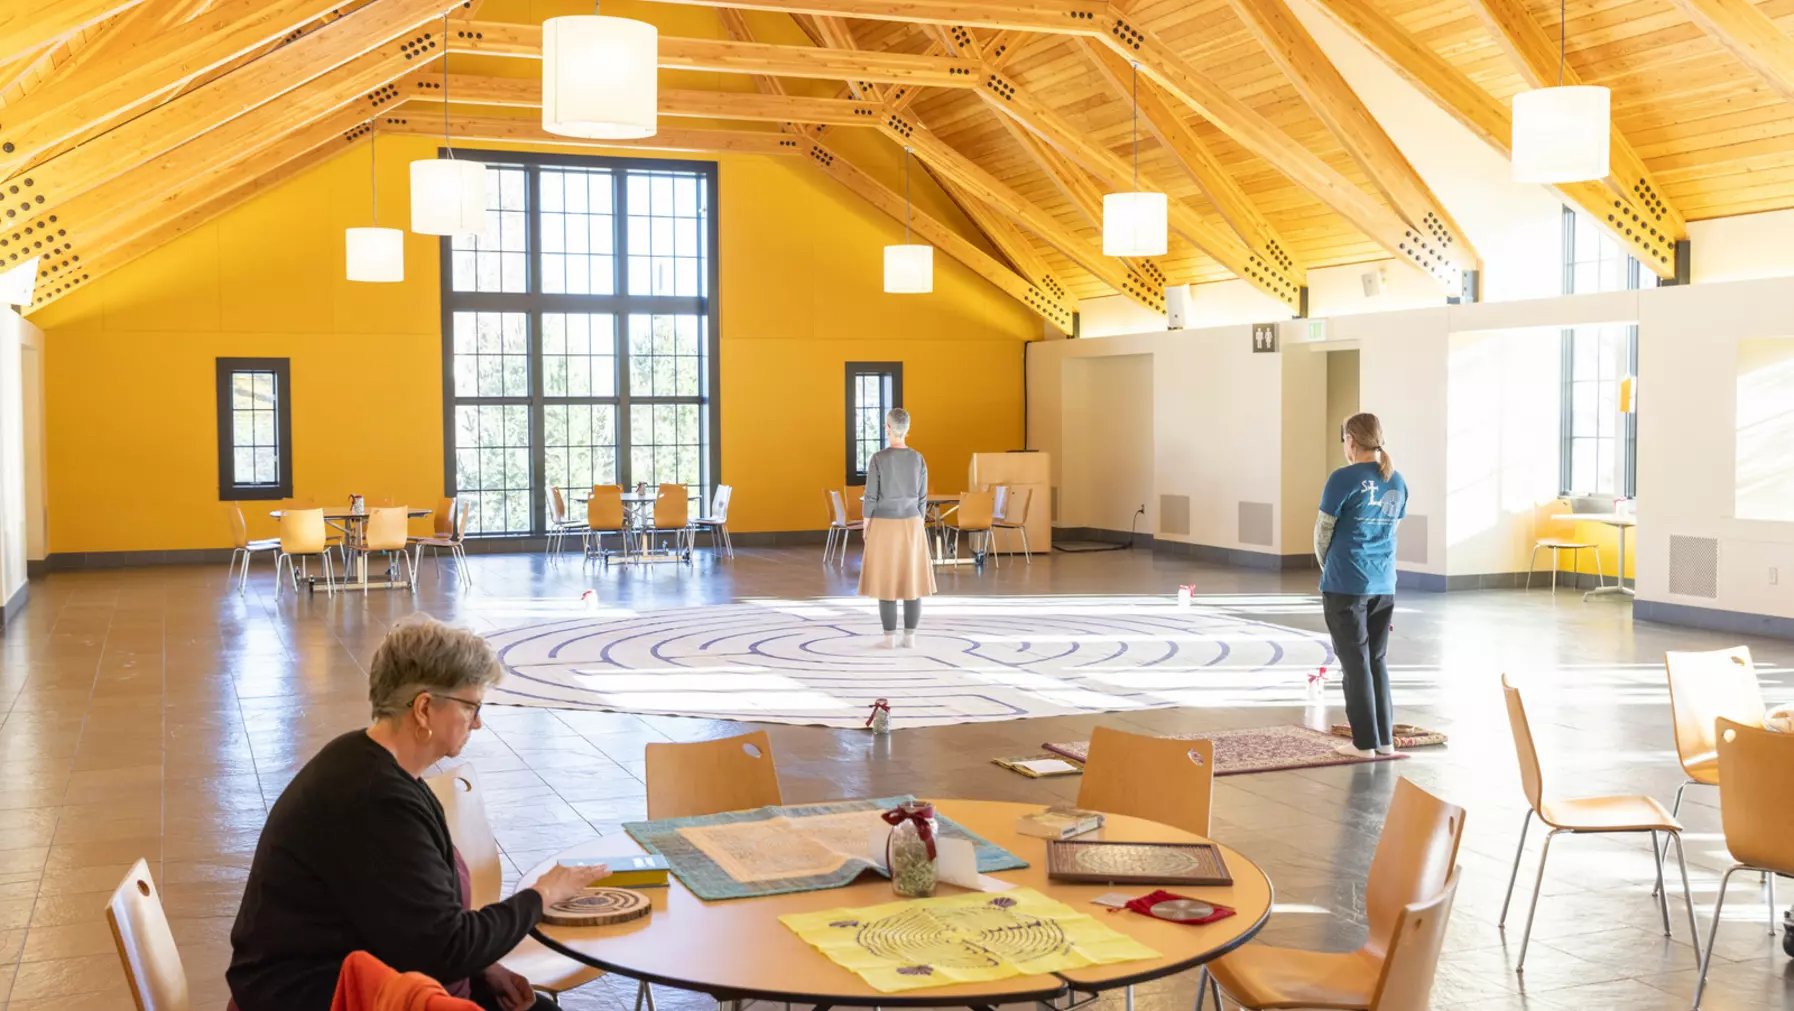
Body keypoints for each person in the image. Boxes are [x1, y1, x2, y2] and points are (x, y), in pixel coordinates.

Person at [228, 616, 595, 1011]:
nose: (478, 722)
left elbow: (406, 921)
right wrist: (542, 896)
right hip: (320, 996)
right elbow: (444, 947)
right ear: (423, 708)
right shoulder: (374, 800)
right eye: (471, 707)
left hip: (366, 977)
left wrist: (483, 966)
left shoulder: (373, 766)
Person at [1315, 412, 1408, 759]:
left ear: (1351, 441)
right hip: (1384, 582)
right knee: (1376, 660)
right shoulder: (1396, 480)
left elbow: (1323, 531)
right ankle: (1384, 740)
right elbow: (1390, 529)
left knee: (1354, 663)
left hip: (1347, 582)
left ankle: (1363, 743)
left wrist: (1329, 567)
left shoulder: (1342, 478)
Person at [858, 408, 937, 648]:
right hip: (913, 523)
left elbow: (870, 496)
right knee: (912, 581)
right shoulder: (918, 458)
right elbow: (923, 497)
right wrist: (917, 520)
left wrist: (866, 523)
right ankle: (910, 637)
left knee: (886, 581)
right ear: (908, 430)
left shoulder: (878, 459)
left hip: (883, 523)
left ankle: (889, 638)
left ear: (888, 428)